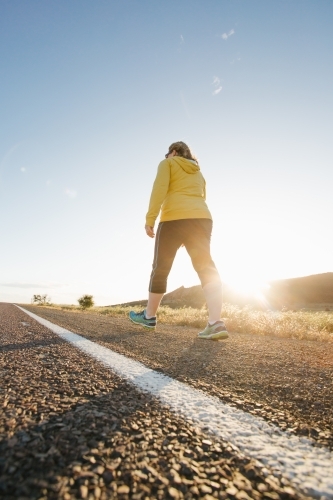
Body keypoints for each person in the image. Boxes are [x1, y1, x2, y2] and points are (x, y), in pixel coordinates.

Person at [129, 141, 228, 340]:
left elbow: (159, 190)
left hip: (174, 217)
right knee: (205, 266)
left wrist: (150, 219)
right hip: (202, 218)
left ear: (174, 152)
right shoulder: (199, 173)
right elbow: (202, 197)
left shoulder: (168, 164)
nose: (166, 157)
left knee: (161, 267)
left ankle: (149, 316)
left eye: (167, 153)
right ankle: (215, 323)